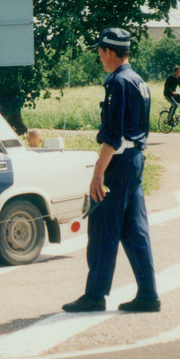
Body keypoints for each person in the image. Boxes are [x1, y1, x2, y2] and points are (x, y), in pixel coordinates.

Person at [63, 28, 160, 314]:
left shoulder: (117, 83)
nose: (99, 56)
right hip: (136, 159)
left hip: (118, 162)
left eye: (100, 51)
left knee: (103, 226)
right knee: (134, 229)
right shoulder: (139, 81)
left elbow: (113, 134)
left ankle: (95, 295)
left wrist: (98, 172)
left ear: (108, 51)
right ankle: (148, 294)